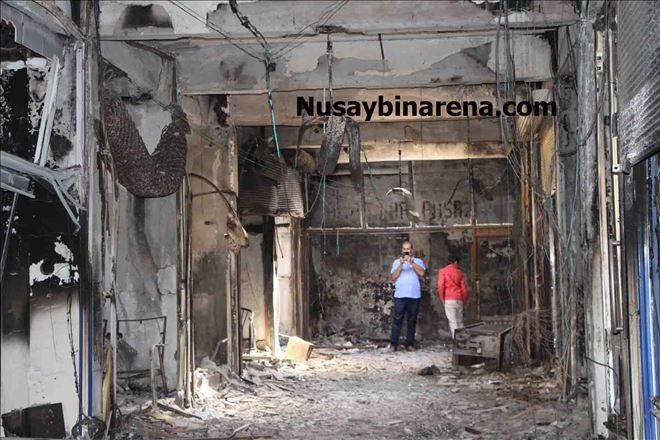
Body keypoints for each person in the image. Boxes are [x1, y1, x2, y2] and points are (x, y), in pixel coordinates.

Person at [388, 240, 427, 352]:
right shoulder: (397, 262)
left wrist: (411, 263)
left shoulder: (418, 261)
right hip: (400, 295)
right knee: (397, 320)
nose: (406, 251)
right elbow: (393, 277)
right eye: (404, 249)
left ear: (412, 250)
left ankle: (409, 344)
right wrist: (401, 264)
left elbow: (422, 273)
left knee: (412, 320)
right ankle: (393, 344)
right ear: (402, 250)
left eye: (408, 249)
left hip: (414, 296)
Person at [437, 255, 468, 338]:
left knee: (453, 322)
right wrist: (463, 300)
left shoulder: (443, 271)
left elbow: (440, 286)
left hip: (449, 299)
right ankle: (463, 339)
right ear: (455, 262)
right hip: (459, 298)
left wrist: (442, 298)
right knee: (460, 321)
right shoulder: (460, 272)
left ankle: (456, 341)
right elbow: (464, 289)